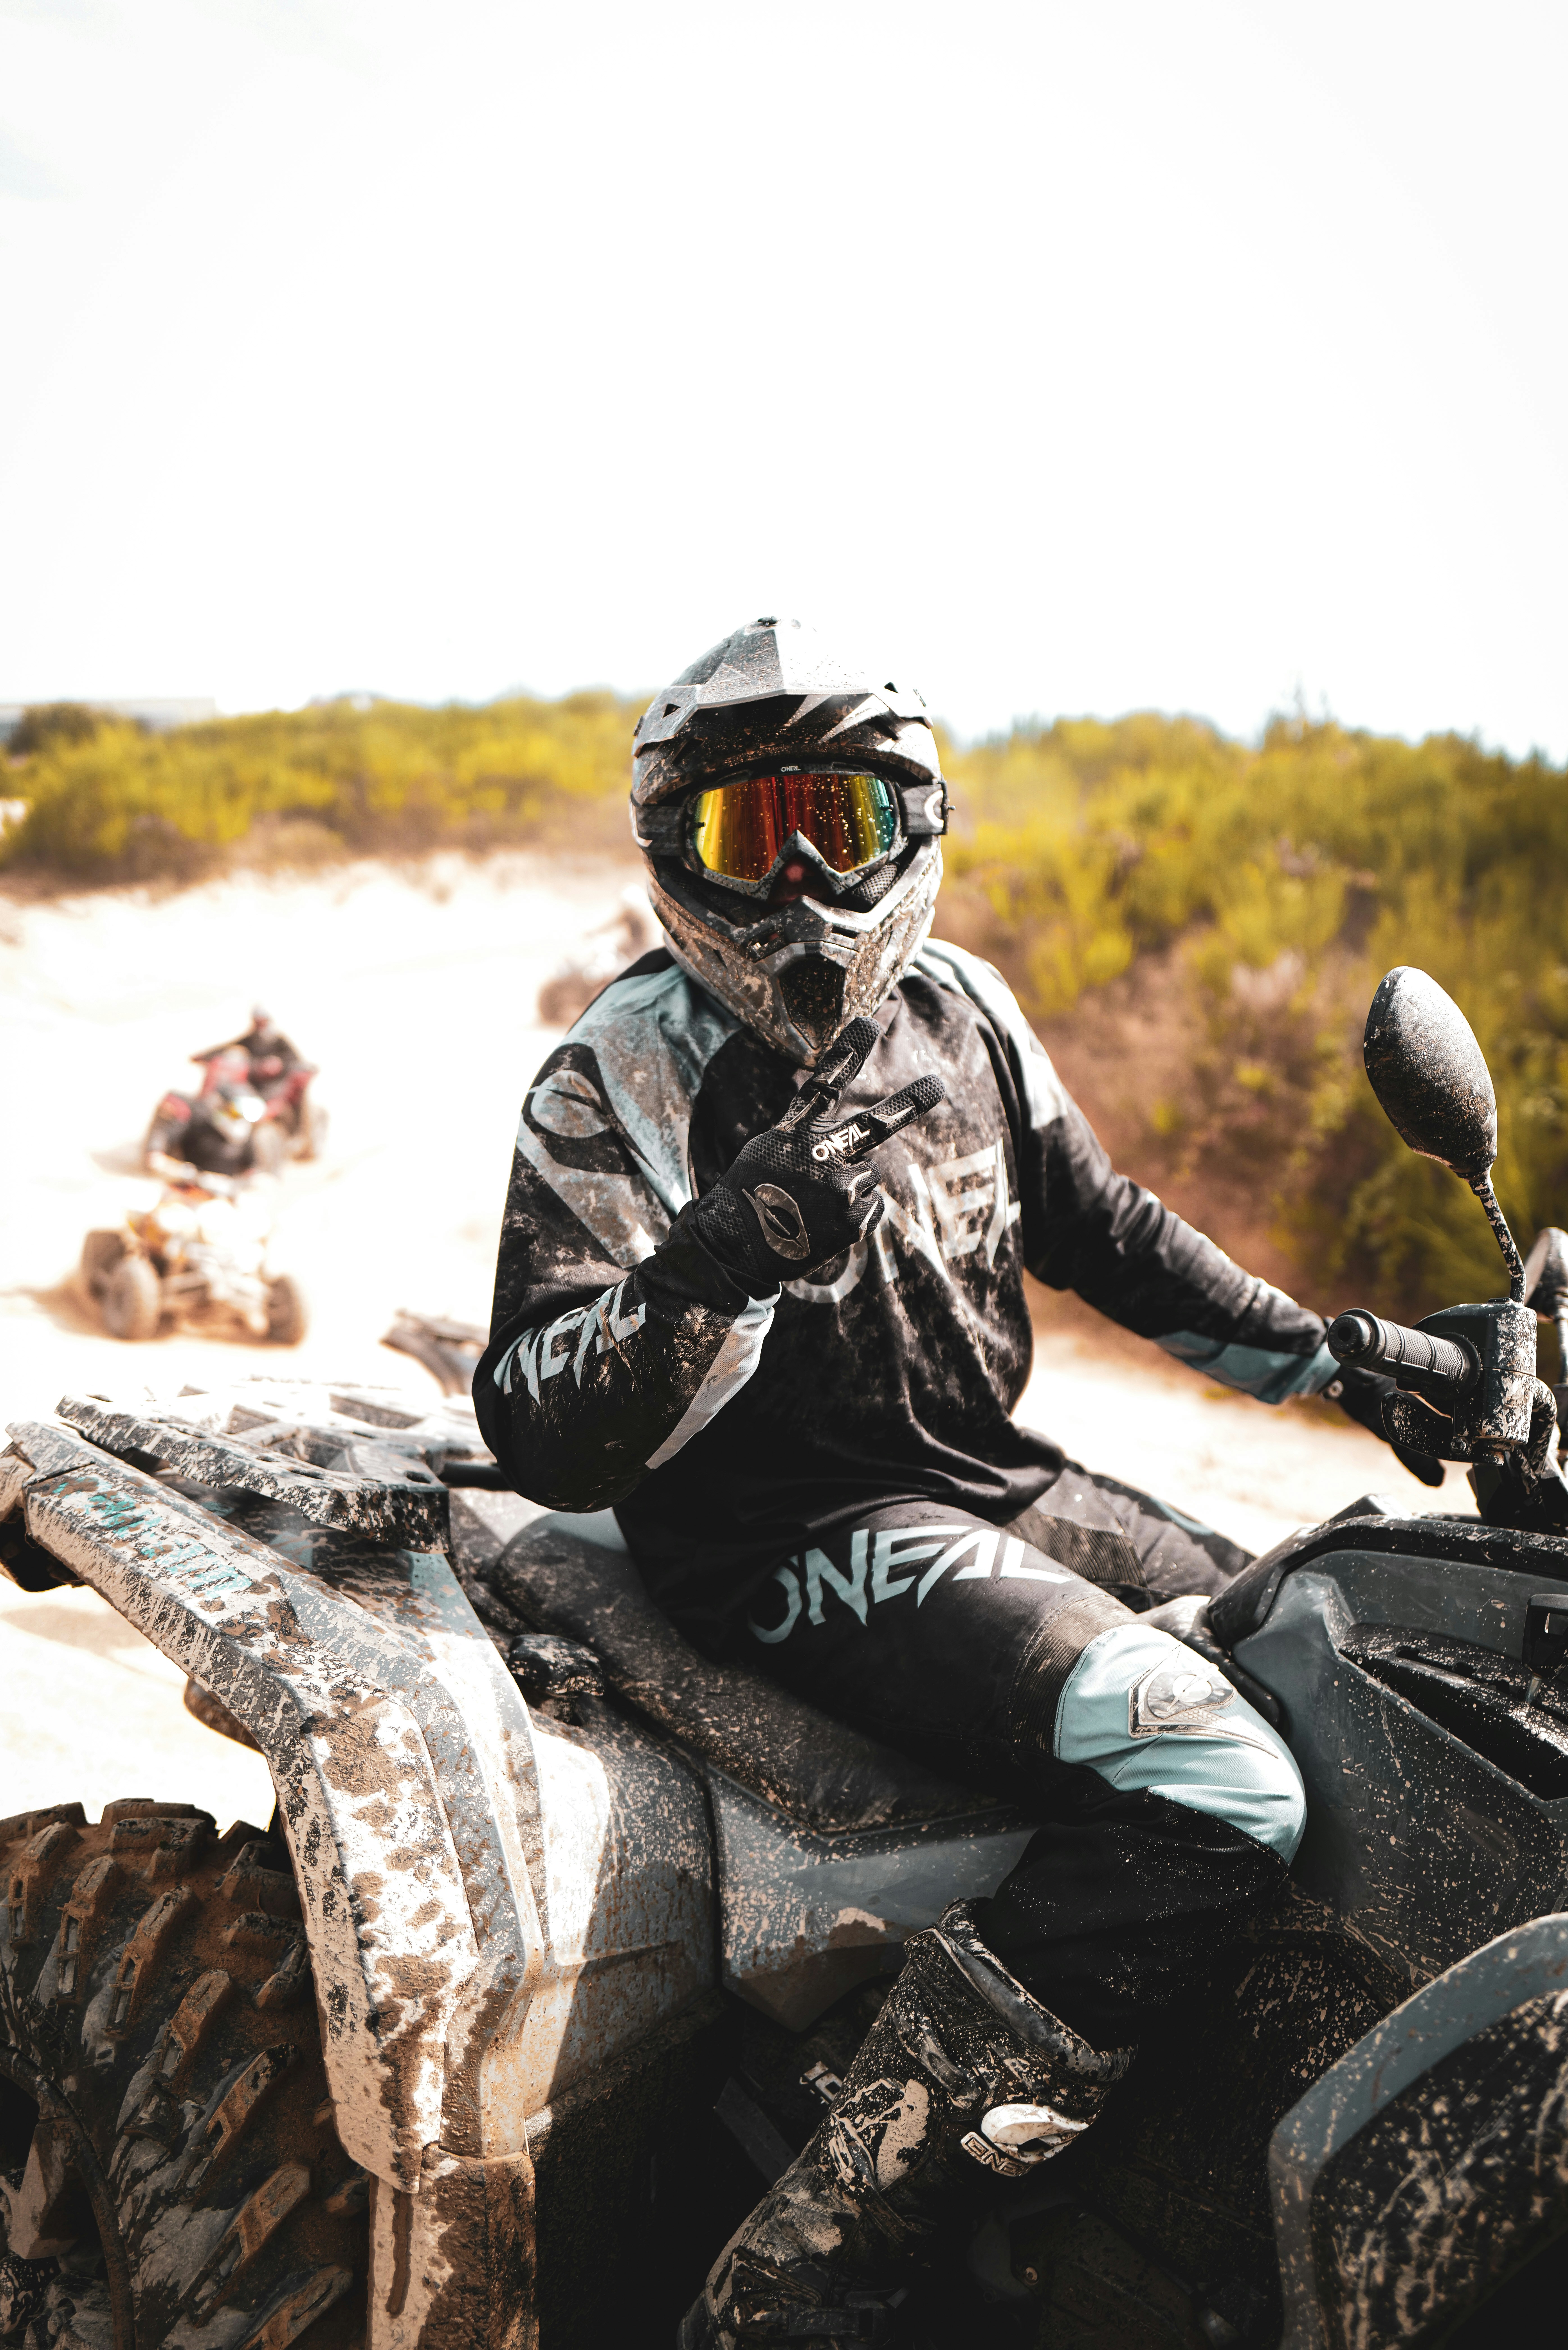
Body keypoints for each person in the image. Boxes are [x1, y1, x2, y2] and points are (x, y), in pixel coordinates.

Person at [472, 620, 1437, 2346]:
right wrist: (710, 1266)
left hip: (994, 1479)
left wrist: (1344, 1357)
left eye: (840, 825)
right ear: (672, 856)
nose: (803, 886)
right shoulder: (618, 1072)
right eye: (748, 838)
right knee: (1222, 1778)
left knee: (1353, 1640)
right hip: (789, 1536)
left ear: (916, 821)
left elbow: (1109, 1237)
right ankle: (832, 2248)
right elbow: (534, 1422)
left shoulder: (965, 1006)